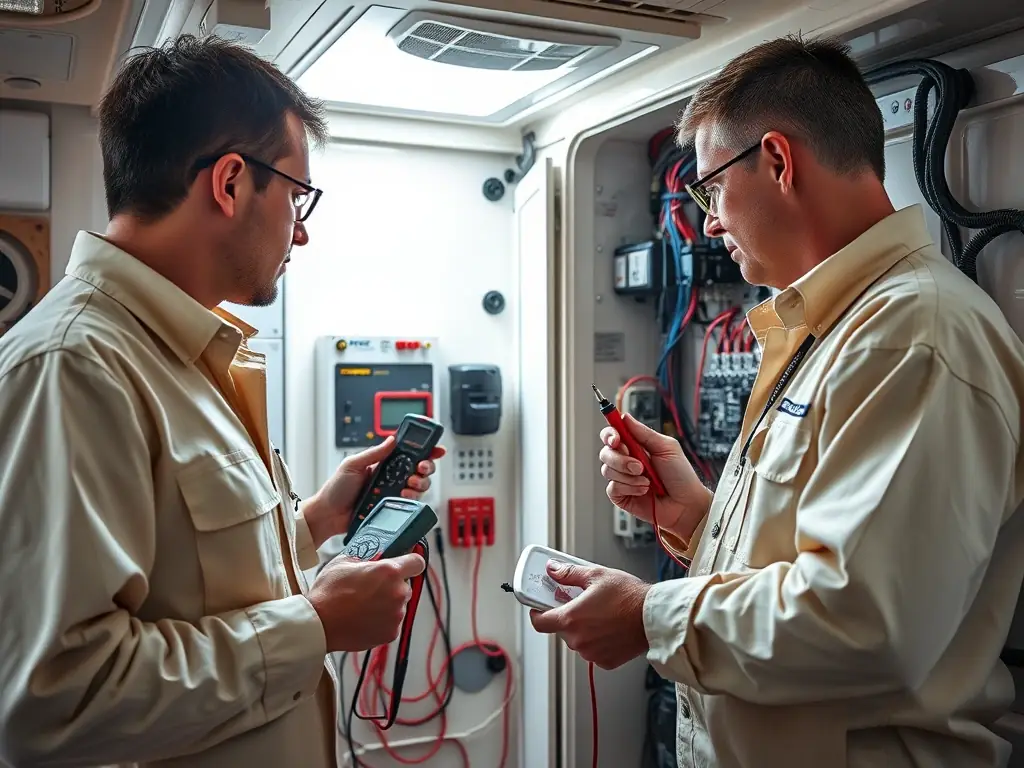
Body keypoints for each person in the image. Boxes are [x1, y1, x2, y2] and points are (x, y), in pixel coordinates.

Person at [530, 34, 1024, 768]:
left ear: (778, 161)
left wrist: (648, 618)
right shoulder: (836, 328)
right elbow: (814, 558)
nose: (707, 222)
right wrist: (695, 515)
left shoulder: (912, 337)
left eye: (708, 189)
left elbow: (867, 622)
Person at [0, 35, 443, 767]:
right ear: (231, 182)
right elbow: (52, 700)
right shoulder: (76, 367)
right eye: (297, 196)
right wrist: (317, 626)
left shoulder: (183, 353)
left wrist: (314, 522)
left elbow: (185, 581)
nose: (301, 230)